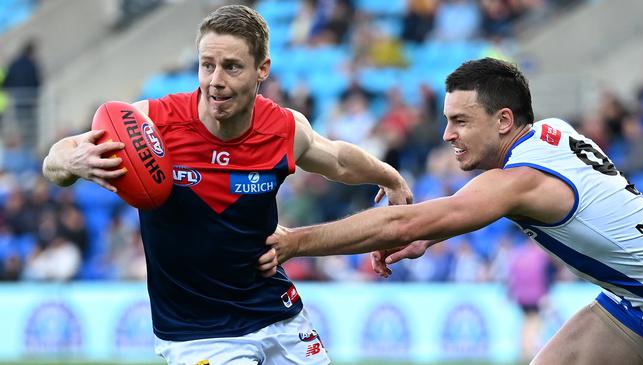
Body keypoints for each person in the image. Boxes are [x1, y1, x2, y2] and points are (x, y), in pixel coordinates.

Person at [41, 5, 412, 365]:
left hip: (275, 311)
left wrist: (389, 177)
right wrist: (71, 161)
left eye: (232, 67)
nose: (215, 81)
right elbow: (56, 159)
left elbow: (338, 160)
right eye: (207, 65)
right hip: (197, 331)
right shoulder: (154, 122)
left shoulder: (283, 127)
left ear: (261, 69)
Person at [260, 57, 643, 365]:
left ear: (504, 120)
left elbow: (401, 222)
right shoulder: (555, 132)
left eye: (460, 121)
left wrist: (294, 242)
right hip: (633, 301)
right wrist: (429, 237)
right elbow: (476, 209)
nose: (447, 135)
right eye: (447, 120)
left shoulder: (519, 179)